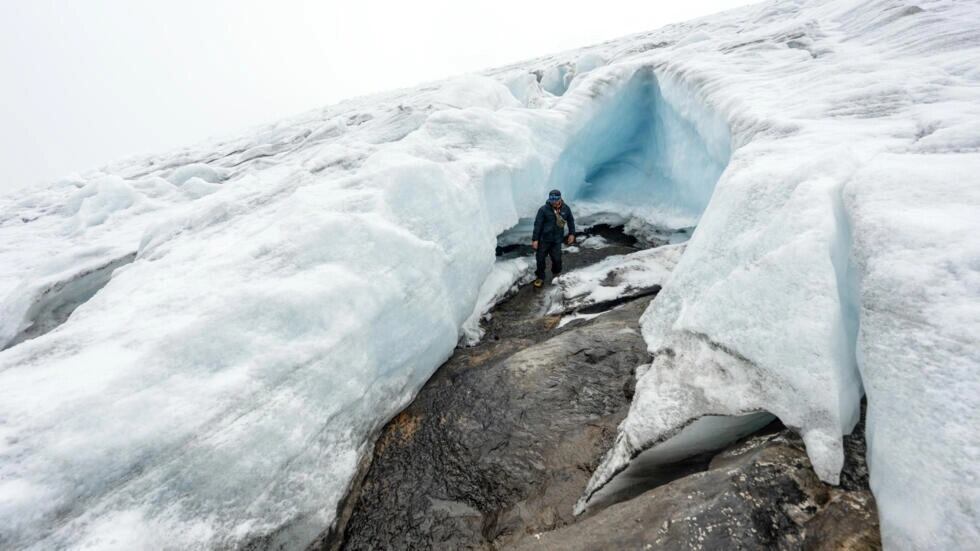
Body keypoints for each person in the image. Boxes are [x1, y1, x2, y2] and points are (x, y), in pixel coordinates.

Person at [531, 189, 575, 288]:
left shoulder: (566, 209)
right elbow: (537, 225)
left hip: (556, 240)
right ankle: (540, 277)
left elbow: (571, 221)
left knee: (557, 259)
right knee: (540, 259)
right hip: (544, 240)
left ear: (560, 198)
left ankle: (556, 274)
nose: (553, 201)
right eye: (551, 198)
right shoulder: (543, 210)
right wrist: (535, 240)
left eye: (555, 198)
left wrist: (572, 234)